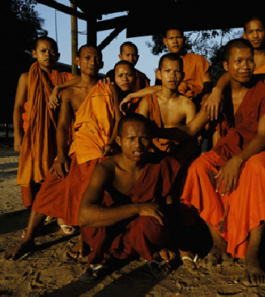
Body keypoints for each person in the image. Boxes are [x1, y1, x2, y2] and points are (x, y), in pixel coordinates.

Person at [179, 38, 265, 286]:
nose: (245, 66)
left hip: (256, 149)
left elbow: (264, 136)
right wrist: (153, 132)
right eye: (238, 61)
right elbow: (192, 128)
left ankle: (252, 253)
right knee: (198, 168)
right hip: (227, 147)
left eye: (250, 60)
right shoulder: (220, 95)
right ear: (226, 66)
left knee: (256, 169)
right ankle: (218, 243)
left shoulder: (264, 90)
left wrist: (238, 160)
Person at [3, 44, 122, 261]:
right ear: (77, 61)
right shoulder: (68, 92)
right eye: (87, 58)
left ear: (102, 63)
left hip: (105, 150)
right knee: (49, 186)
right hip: (80, 148)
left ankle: (84, 239)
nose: (92, 62)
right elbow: (63, 126)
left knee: (89, 190)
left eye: (97, 59)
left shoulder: (109, 88)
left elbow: (118, 121)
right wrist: (61, 156)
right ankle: (28, 238)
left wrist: (113, 141)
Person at [78, 114, 181, 280]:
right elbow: (84, 216)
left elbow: (171, 206)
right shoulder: (106, 169)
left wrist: (169, 243)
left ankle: (153, 253)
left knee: (153, 219)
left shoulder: (161, 163)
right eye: (131, 138)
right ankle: (109, 255)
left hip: (143, 230)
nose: (138, 145)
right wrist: (138, 209)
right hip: (114, 226)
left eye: (144, 138)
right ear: (119, 141)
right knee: (95, 224)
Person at [13, 36, 73, 208]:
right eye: (43, 51)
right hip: (32, 134)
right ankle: (33, 210)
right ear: (34, 54)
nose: (48, 55)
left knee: (55, 171)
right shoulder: (26, 78)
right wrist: (17, 135)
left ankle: (50, 209)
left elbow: (82, 80)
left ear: (58, 55)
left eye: (52, 51)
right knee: (31, 172)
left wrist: (58, 88)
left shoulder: (63, 77)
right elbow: (18, 107)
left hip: (56, 134)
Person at [123, 28, 213, 110]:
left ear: (184, 40)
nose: (175, 41)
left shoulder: (198, 59)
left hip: (196, 101)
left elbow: (207, 83)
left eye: (178, 38)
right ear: (165, 41)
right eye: (171, 38)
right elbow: (159, 89)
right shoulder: (164, 65)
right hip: (170, 103)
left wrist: (206, 96)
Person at [136, 53, 199, 166]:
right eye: (167, 71)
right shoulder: (148, 101)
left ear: (183, 76)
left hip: (179, 157)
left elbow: (191, 138)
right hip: (153, 156)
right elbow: (141, 132)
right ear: (159, 74)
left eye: (177, 72)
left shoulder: (187, 105)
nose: (172, 76)